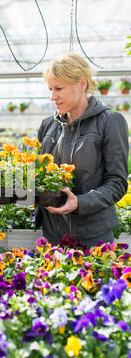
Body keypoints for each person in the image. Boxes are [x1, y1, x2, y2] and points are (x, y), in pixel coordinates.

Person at [36, 53, 129, 248]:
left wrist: (80, 202)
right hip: (52, 235)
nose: (52, 96)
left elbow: (118, 182)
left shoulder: (109, 122)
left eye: (59, 88)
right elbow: (40, 176)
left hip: (92, 238)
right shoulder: (48, 125)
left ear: (82, 83)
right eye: (51, 89)